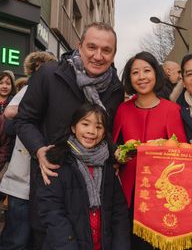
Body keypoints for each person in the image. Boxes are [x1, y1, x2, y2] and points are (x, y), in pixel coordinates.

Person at [15, 22, 124, 248]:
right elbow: (24, 119)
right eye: (91, 47)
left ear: (114, 54)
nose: (98, 56)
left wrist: (115, 155)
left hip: (97, 189)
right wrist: (39, 150)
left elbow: (108, 131)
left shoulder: (115, 88)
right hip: (54, 185)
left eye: (106, 50)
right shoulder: (50, 74)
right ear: (79, 46)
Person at [113, 51, 186, 250]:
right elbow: (113, 147)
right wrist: (119, 156)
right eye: (135, 73)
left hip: (160, 192)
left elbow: (182, 152)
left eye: (147, 70)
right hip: (127, 191)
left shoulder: (172, 109)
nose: (142, 77)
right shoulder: (123, 109)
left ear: (156, 74)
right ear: (129, 78)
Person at [36, 103, 130, 250]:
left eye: (98, 127)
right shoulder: (57, 162)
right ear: (73, 127)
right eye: (85, 124)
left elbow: (119, 212)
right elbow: (52, 212)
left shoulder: (109, 165)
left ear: (105, 133)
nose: (92, 131)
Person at [0, 51, 57, 250]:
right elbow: (9, 113)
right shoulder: (29, 89)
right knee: (17, 238)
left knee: (33, 238)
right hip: (21, 181)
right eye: (40, 69)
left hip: (43, 180)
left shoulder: (55, 91)